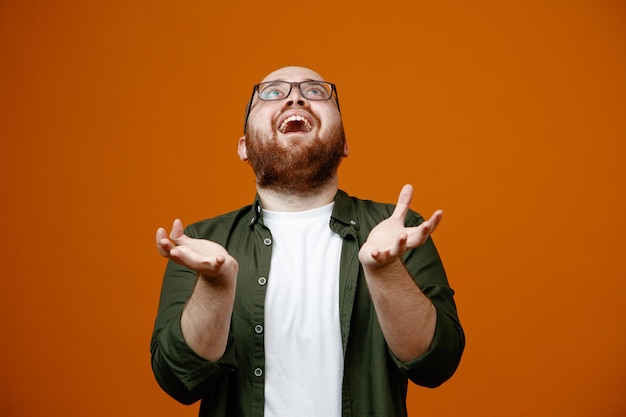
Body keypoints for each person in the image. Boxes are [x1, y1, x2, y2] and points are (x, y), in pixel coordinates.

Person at [151, 66, 464, 417]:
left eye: (316, 91)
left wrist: (386, 270)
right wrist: (214, 285)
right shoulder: (202, 244)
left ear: (343, 143)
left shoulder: (398, 230)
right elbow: (177, 380)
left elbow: (436, 365)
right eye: (271, 93)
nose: (295, 97)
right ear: (244, 148)